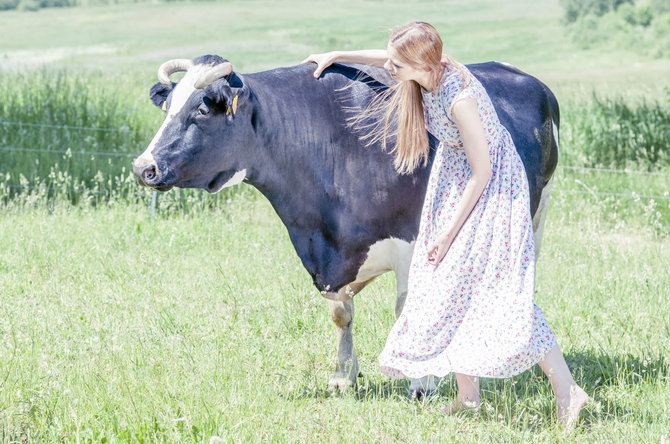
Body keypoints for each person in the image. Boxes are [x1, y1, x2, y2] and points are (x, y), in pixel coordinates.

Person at [302, 21, 589, 427]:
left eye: (397, 64)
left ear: (420, 64)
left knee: (499, 297)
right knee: (449, 287)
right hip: (457, 181)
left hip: (489, 190)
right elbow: (385, 58)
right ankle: (467, 396)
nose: (390, 68)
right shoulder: (427, 72)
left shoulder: (459, 97)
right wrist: (337, 56)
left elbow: (484, 169)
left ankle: (569, 392)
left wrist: (447, 233)